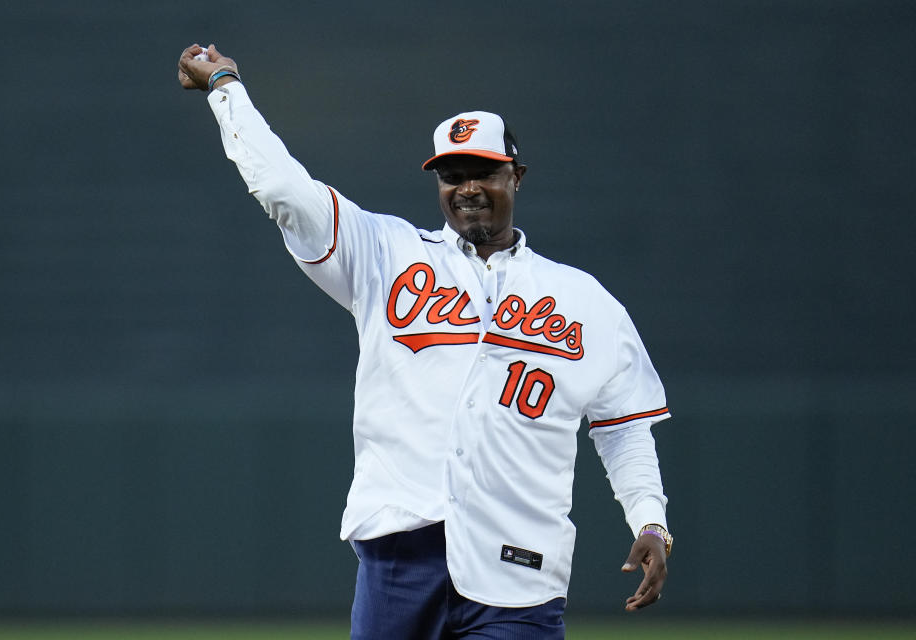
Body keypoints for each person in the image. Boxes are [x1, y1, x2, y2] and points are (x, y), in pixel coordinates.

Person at [178, 43, 673, 639]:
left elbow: (622, 427)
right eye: (451, 175)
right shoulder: (385, 253)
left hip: (520, 566)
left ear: (515, 174)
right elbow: (284, 190)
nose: (467, 187)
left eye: (483, 172)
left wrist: (650, 521)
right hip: (400, 559)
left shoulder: (583, 298)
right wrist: (226, 89)